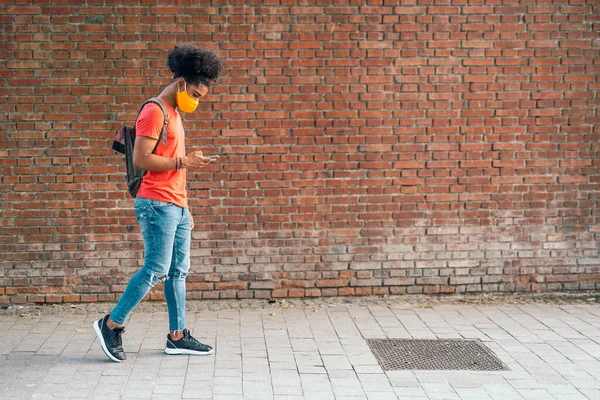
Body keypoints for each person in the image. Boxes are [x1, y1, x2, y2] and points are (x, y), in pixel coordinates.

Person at [93, 44, 224, 362]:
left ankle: (177, 336)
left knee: (179, 271)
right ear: (180, 83)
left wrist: (185, 207)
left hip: (175, 206)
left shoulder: (176, 115)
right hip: (155, 204)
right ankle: (111, 324)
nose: (196, 100)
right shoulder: (155, 111)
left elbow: (174, 166)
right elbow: (142, 157)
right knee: (156, 269)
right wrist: (185, 162)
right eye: (194, 93)